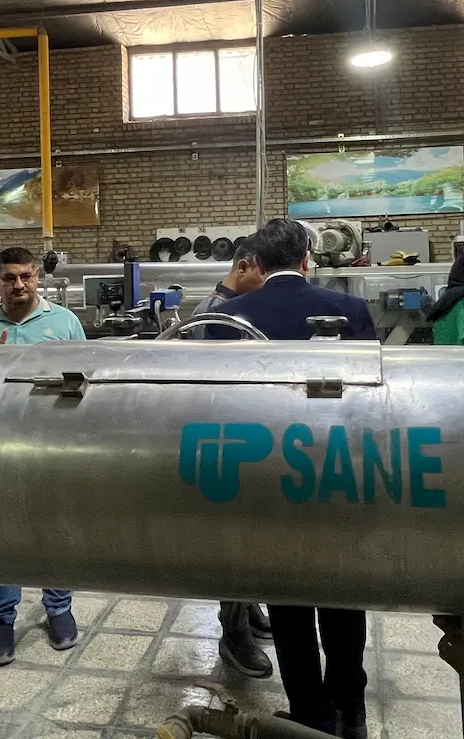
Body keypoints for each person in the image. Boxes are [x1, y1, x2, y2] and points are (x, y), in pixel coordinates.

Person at [210, 218, 374, 739]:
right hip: (339, 470)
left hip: (265, 477)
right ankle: (350, 708)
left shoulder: (230, 317)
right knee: (343, 596)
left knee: (287, 600)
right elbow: (372, 399)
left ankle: (310, 713)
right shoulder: (351, 310)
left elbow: (213, 405)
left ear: (256, 263)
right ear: (308, 258)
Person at [0, 246, 85, 665]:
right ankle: (0, 620)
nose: (19, 285)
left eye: (26, 276)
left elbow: (84, 383)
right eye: (9, 278)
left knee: (55, 526)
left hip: (50, 445)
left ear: (36, 278)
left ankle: (59, 607)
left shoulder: (64, 323)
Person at [186, 237, 272, 677]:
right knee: (232, 541)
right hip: (221, 437)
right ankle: (233, 633)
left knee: (250, 537)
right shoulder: (215, 313)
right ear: (243, 267)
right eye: (263, 271)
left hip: (244, 432)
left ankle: (248, 607)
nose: (267, 280)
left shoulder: (238, 308)